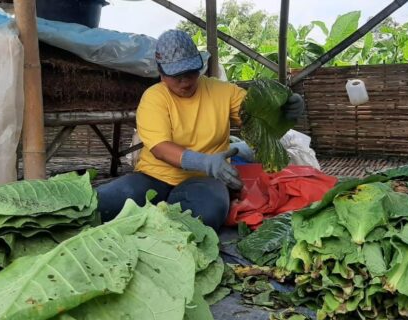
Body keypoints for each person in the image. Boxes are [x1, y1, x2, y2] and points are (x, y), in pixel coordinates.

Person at [96, 29, 304, 231]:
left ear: (200, 66)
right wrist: (206, 162)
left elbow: (257, 121)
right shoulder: (154, 98)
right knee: (99, 204)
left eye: (190, 72)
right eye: (176, 75)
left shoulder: (225, 92)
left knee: (204, 216)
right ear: (160, 73)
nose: (185, 81)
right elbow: (160, 147)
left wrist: (284, 112)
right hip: (153, 177)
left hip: (205, 181)